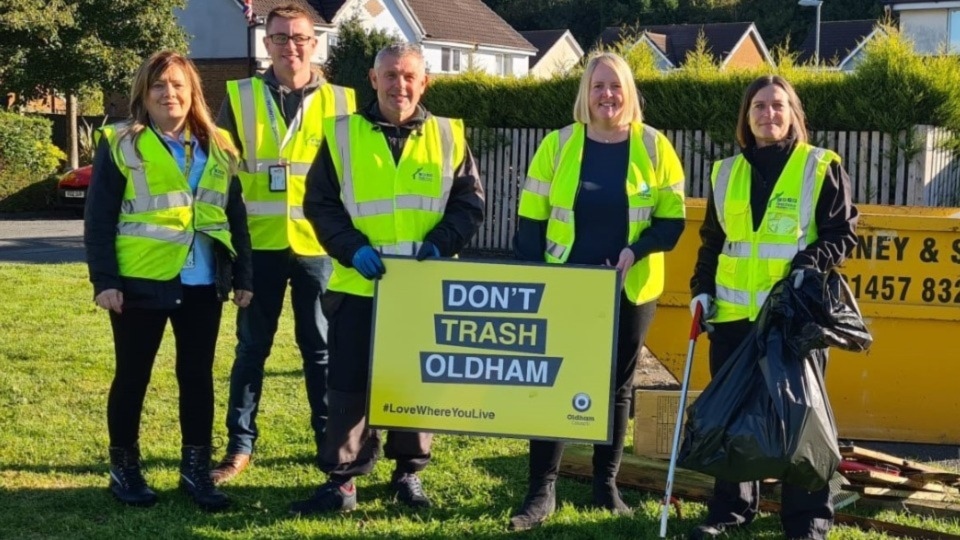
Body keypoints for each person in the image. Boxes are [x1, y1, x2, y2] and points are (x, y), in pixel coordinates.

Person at [289, 42, 484, 515]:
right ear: (373, 80)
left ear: (424, 82)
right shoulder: (341, 136)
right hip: (359, 285)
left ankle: (408, 474)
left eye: (409, 76)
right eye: (390, 75)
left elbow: (470, 203)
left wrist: (441, 241)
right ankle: (344, 482)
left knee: (415, 384)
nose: (400, 84)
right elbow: (320, 204)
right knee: (350, 386)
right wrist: (351, 248)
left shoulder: (448, 136)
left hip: (422, 289)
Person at [508, 52, 686, 531]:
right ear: (584, 94)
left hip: (632, 287)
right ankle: (540, 491)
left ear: (629, 92)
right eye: (598, 86)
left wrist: (638, 248)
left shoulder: (654, 146)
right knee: (555, 385)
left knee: (618, 386)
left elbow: (672, 221)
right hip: (567, 287)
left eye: (616, 86)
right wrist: (543, 276)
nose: (607, 95)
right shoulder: (558, 145)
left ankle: (604, 485)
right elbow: (529, 221)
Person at [688, 75, 858, 540]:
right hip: (734, 318)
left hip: (793, 320)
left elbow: (842, 234)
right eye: (758, 107)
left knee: (800, 418)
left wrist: (808, 264)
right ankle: (730, 512)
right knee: (732, 416)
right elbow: (713, 241)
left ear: (794, 114)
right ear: (746, 117)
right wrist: (701, 288)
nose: (768, 114)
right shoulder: (726, 172)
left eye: (778, 105)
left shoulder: (819, 167)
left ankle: (807, 522)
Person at [84, 50, 253, 511]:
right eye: (159, 85)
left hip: (203, 281)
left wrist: (244, 274)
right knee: (133, 376)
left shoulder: (220, 145)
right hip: (140, 280)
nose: (169, 93)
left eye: (178, 84)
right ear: (144, 93)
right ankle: (125, 469)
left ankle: (196, 472)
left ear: (193, 90)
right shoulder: (121, 143)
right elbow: (98, 219)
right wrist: (105, 281)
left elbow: (234, 215)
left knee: (196, 377)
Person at [211, 3, 357, 484]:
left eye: (299, 38)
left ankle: (327, 440)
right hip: (259, 246)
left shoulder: (345, 101)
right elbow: (221, 179)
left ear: (315, 43)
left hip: (320, 247)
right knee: (252, 349)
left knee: (320, 349)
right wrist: (229, 251)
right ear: (265, 43)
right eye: (279, 37)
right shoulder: (239, 96)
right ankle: (239, 445)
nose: (289, 46)